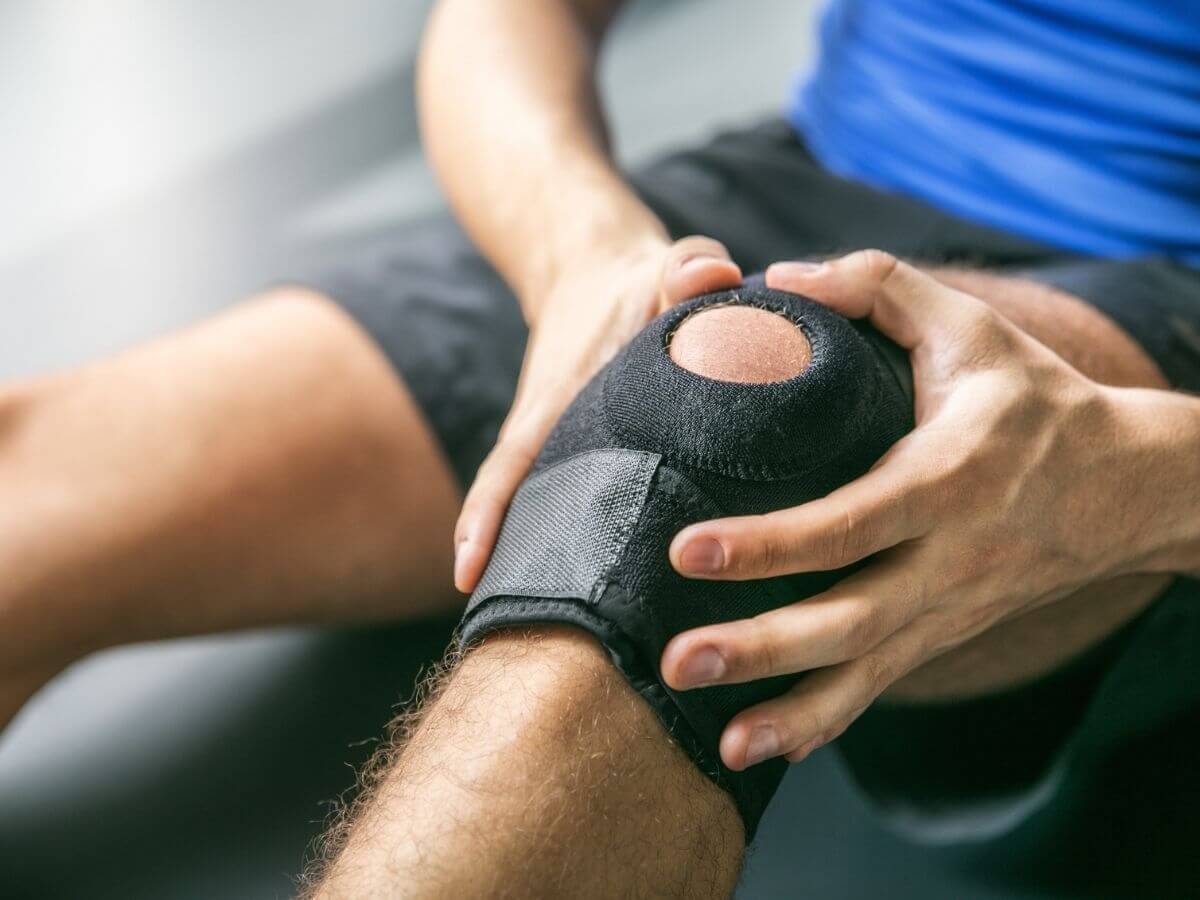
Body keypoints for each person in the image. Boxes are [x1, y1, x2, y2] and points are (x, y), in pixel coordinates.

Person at [4, 0, 1199, 895]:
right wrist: (579, 253)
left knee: (731, 406)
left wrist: (1151, 480)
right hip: (805, 188)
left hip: (1169, 294)